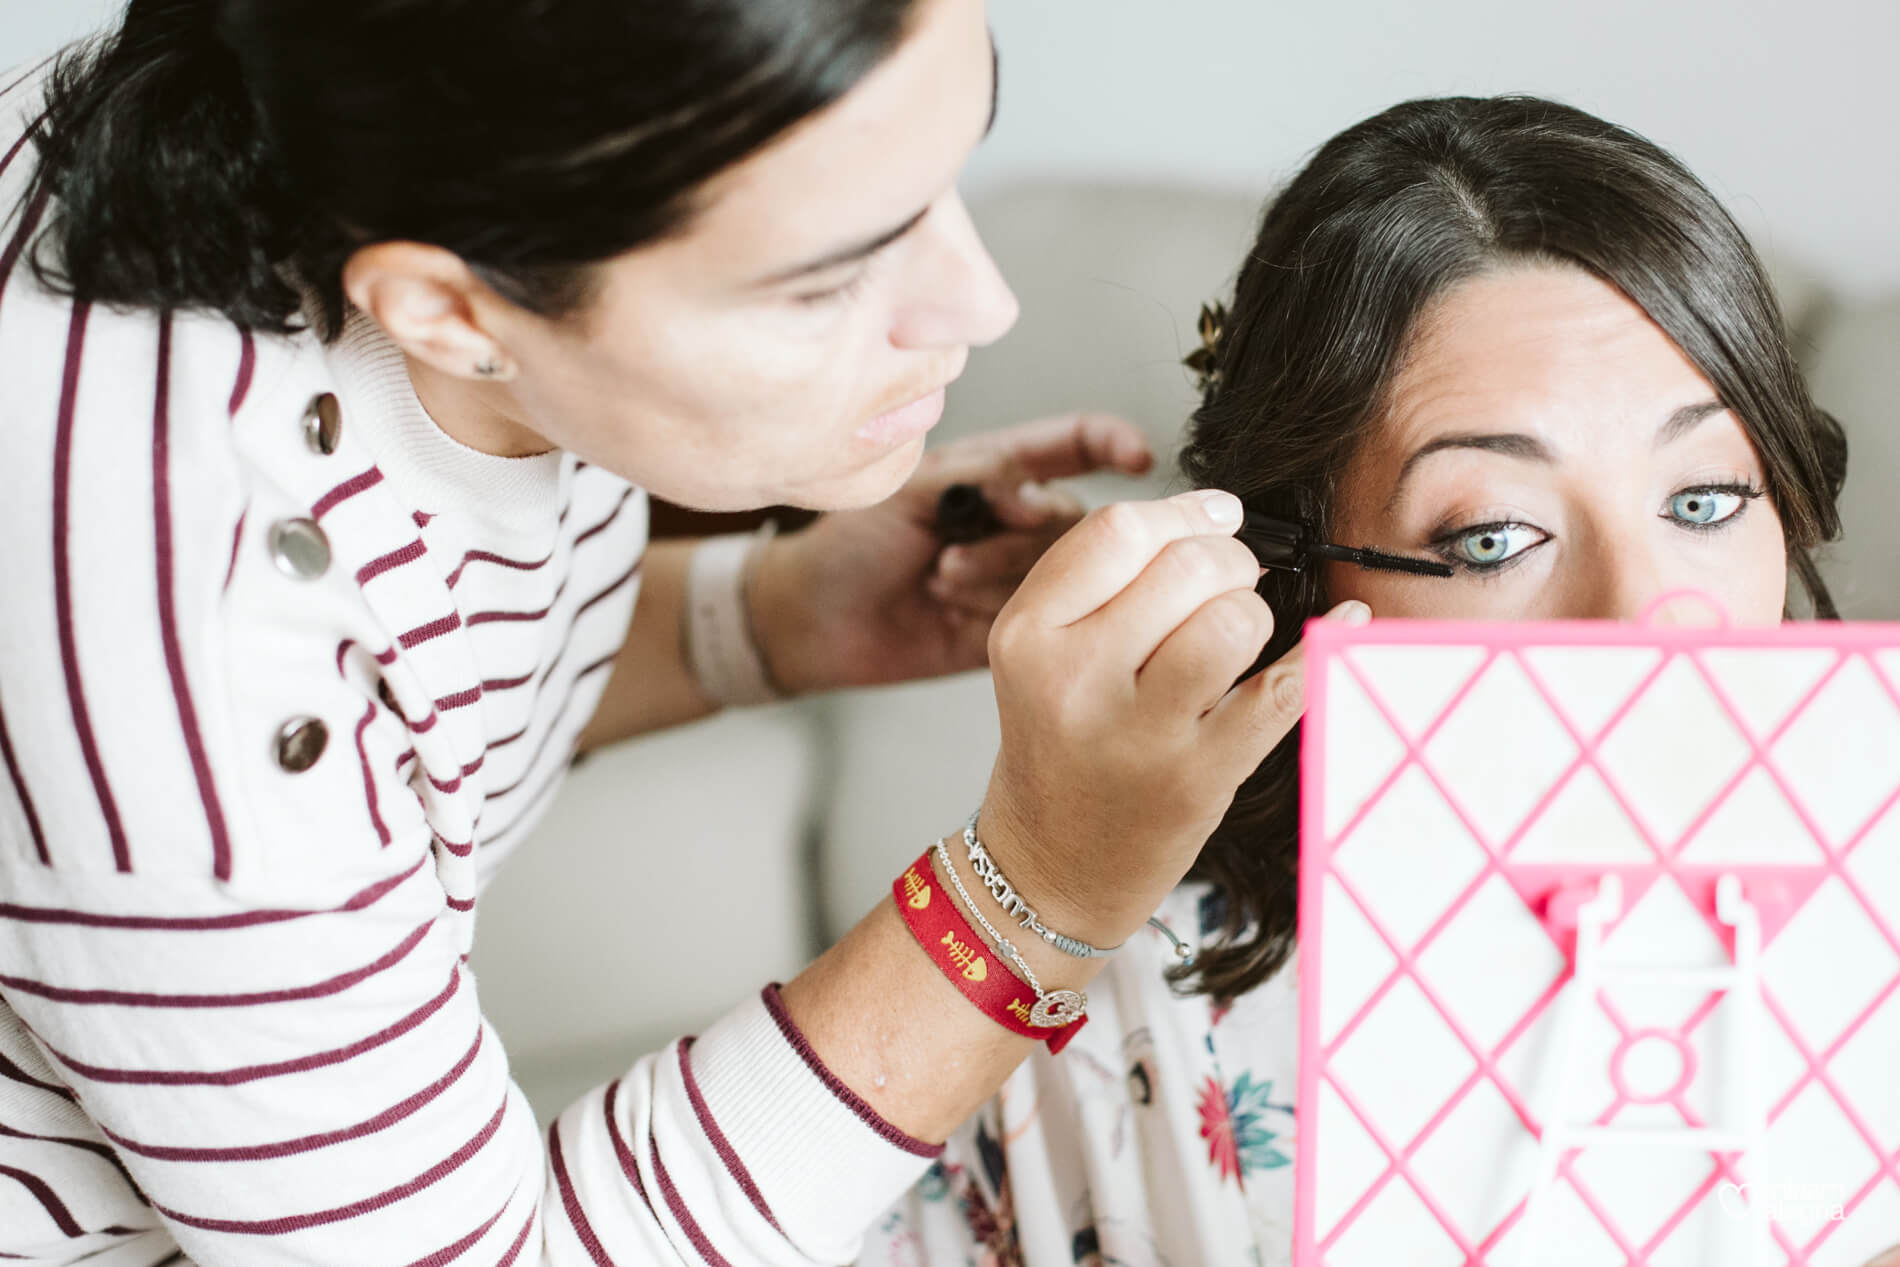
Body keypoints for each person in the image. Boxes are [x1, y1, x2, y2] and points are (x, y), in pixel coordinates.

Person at [0, 1, 1329, 1262]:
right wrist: (1040, 891)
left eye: (943, 175)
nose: (981, 305)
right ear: (454, 313)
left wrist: (750, 620)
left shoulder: (300, 136)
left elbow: (400, 715)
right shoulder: (194, 690)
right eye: (826, 278)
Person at [861, 95, 1872, 1266]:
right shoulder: (1124, 1027)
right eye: (1493, 536)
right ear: (1298, 574)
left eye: (1702, 502)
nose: (1643, 622)